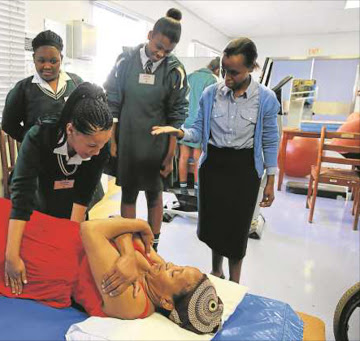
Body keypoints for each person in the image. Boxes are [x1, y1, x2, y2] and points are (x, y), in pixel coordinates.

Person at [0, 195, 224, 335]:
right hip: (59, 233)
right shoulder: (156, 271)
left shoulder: (133, 302)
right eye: (180, 265)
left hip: (48, 263)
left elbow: (92, 230)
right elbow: (112, 223)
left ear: (167, 303)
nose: (170, 264)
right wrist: (126, 253)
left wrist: (137, 225)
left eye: (176, 274)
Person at [152, 38, 280, 283]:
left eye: (234, 72)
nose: (227, 77)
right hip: (214, 167)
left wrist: (271, 180)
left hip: (244, 169)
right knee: (215, 224)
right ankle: (216, 271)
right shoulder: (211, 94)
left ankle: (234, 281)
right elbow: (199, 132)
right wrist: (179, 133)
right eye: (224, 70)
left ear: (252, 67)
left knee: (237, 228)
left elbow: (270, 141)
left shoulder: (265, 99)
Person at [5, 82, 113, 293]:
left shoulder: (99, 146)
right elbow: (22, 195)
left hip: (73, 205)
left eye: (103, 145)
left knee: (72, 261)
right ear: (70, 130)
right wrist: (11, 256)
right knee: (40, 255)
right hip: (40, 200)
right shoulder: (39, 136)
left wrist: (70, 249)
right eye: (92, 146)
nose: (98, 152)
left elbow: (83, 196)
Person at [104, 8, 189, 251]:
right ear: (150, 34)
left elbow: (177, 114)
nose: (160, 53)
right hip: (128, 138)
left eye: (167, 51)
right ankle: (129, 245)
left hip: (157, 145)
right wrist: (113, 140)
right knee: (128, 193)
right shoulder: (125, 60)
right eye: (158, 46)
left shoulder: (175, 70)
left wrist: (170, 155)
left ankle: (153, 246)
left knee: (154, 194)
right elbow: (113, 100)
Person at [1, 30, 83, 142]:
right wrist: (30, 141)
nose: (47, 66)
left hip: (71, 155)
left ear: (61, 58)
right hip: (36, 157)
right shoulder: (23, 89)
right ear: (34, 58)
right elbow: (8, 124)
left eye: (53, 61)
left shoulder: (76, 83)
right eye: (41, 60)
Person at [178, 57, 220, 193]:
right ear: (218, 70)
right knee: (198, 158)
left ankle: (182, 188)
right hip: (199, 124)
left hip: (185, 122)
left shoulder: (190, 76)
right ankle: (197, 190)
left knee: (183, 156)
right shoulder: (212, 80)